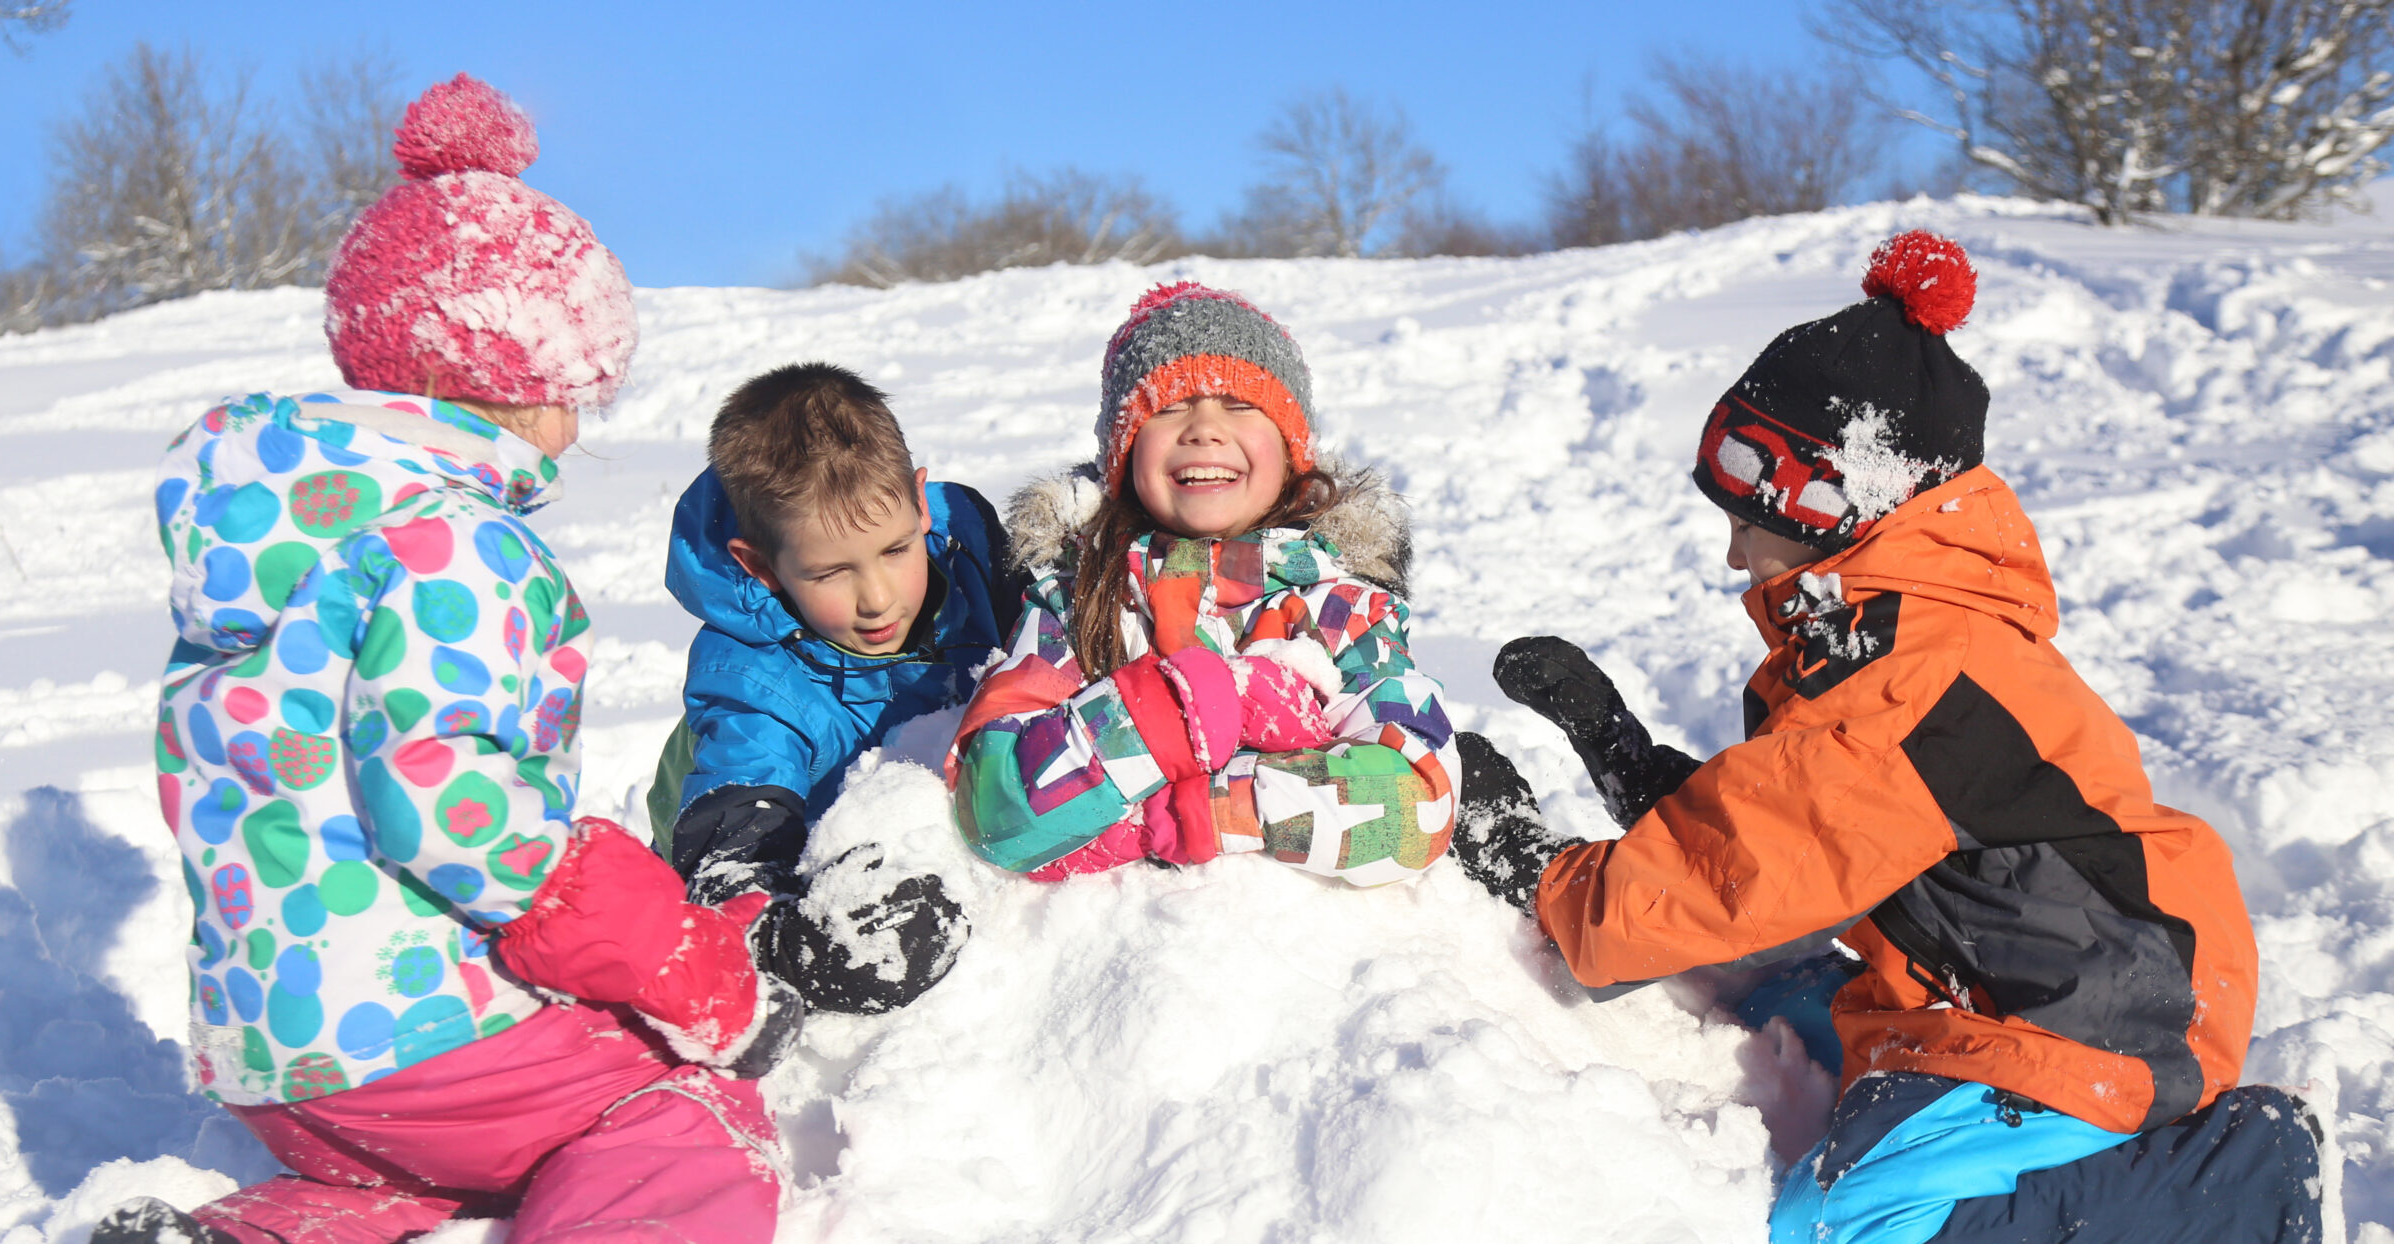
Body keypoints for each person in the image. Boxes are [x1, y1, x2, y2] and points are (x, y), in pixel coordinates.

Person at [1455, 231, 2323, 1243]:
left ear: (1832, 504)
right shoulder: (1877, 633)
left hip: (2084, 1021)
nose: (1732, 547)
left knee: (1843, 1221)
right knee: (1768, 992)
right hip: (1974, 984)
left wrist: (1535, 868)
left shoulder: (1912, 674)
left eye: (1748, 515)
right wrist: (1626, 759)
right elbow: (1788, 834)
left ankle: (2232, 1176)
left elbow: (1757, 854)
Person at [96, 75, 798, 1244]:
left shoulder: (280, 540)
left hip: (270, 1054)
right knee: (678, 1111)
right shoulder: (462, 547)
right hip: (412, 1029)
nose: (578, 429)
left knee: (426, 1169)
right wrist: (680, 963)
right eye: (577, 393)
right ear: (518, 384)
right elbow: (455, 806)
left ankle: (250, 1232)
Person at [949, 281, 1457, 885]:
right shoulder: (1074, 605)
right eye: (1168, 406)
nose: (1204, 429)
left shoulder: (1346, 613)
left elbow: (1418, 802)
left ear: (1293, 451)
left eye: (1241, 406)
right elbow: (992, 806)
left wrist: (1193, 813)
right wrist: (1185, 706)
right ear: (1124, 452)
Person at [655, 361, 1015, 1014]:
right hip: (728, 801)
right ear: (760, 566)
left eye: (896, 550)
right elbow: (730, 866)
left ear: (918, 498)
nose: (878, 599)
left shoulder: (969, 550)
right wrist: (807, 944)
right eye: (830, 573)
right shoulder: (753, 688)